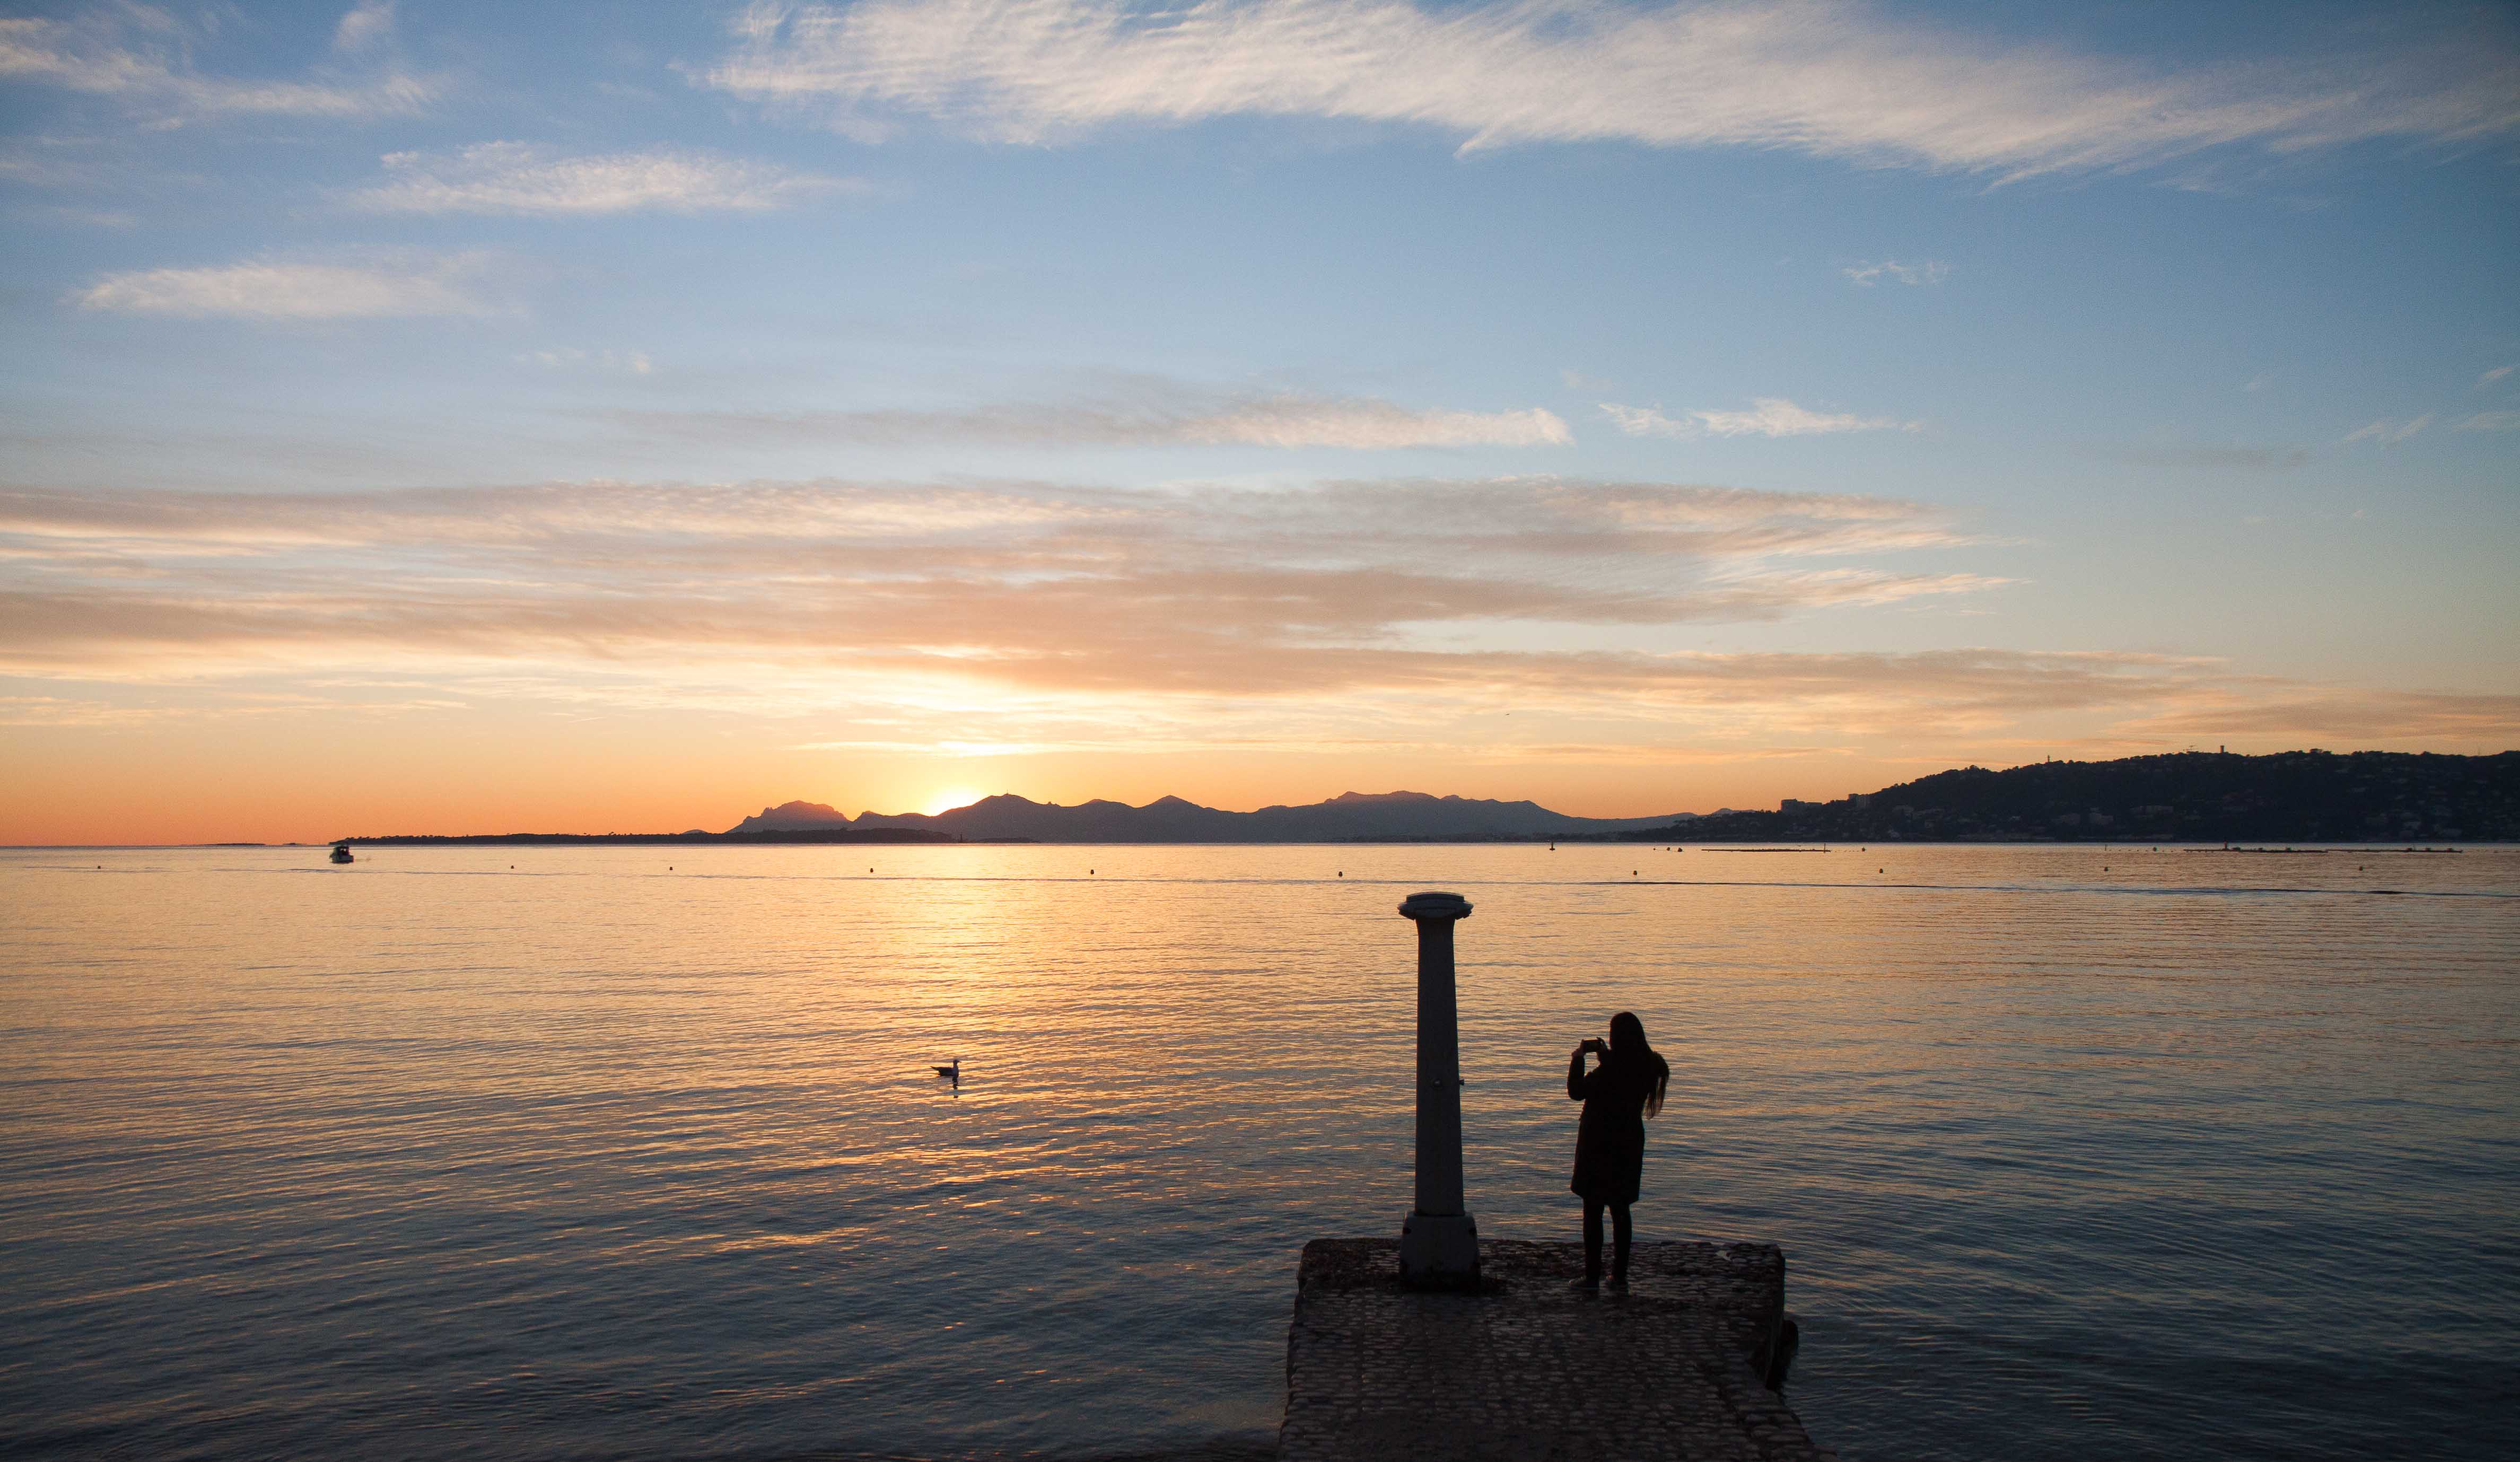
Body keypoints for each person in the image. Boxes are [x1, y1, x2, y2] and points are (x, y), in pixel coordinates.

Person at [1567, 1010, 1670, 1292]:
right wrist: (1604, 1055)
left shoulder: (1610, 1071)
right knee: (1620, 1209)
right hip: (1628, 1144)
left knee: (1593, 1210)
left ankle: (1591, 1277)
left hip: (1599, 1144)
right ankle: (1619, 1276)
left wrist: (1578, 1058)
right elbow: (1624, 1073)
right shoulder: (1647, 1066)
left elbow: (1577, 1091)